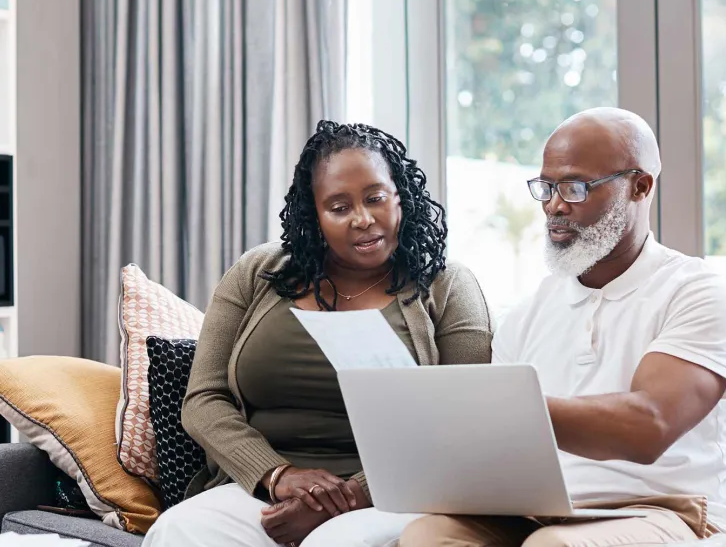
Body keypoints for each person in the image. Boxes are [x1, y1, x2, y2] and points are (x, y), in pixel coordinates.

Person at [401, 107, 726, 546]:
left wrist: (506, 408)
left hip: (667, 511)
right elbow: (501, 450)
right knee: (427, 534)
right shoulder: (528, 313)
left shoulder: (700, 292)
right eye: (546, 187)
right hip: (543, 513)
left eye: (575, 187)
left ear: (640, 186)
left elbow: (650, 425)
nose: (554, 205)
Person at [142, 120, 495, 547]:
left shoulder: (448, 285)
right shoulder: (259, 272)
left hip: (392, 496)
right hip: (265, 490)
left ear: (401, 197)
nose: (363, 219)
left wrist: (346, 497)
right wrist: (278, 476)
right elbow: (203, 400)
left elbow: (460, 420)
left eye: (375, 198)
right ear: (315, 216)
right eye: (339, 207)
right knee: (179, 530)